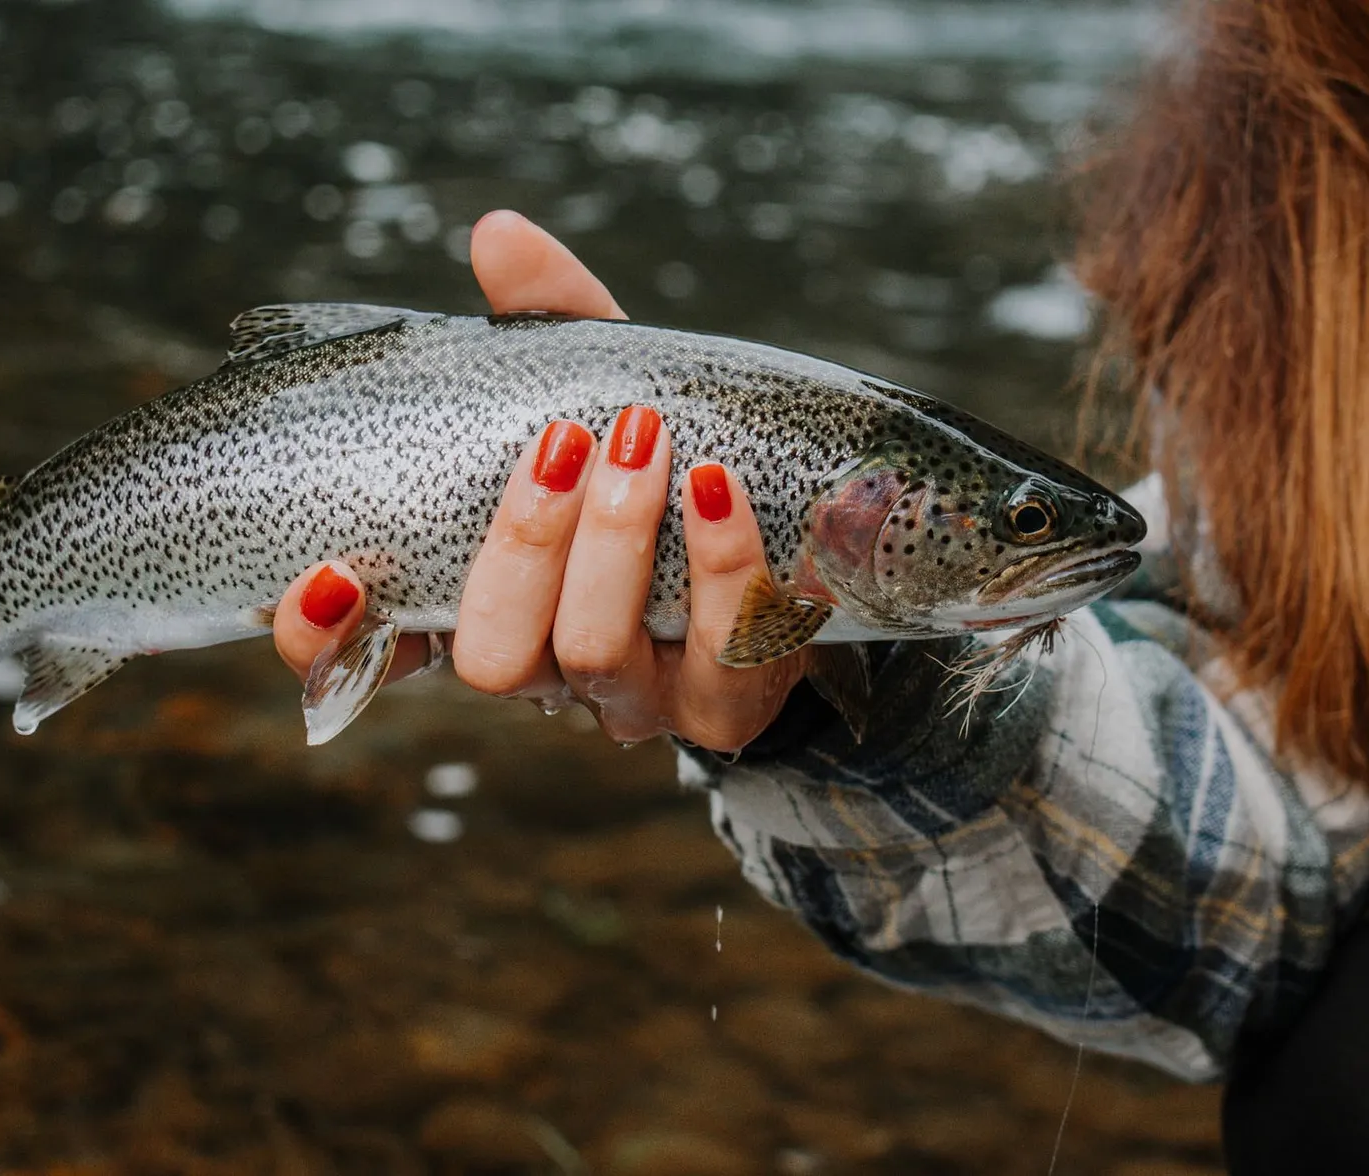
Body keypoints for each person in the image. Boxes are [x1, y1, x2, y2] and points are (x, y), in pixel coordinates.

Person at [270, 0, 1369, 1168]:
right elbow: (1283, 849)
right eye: (1024, 523)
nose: (1051, 541)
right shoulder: (1292, 184)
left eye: (1025, 523)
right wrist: (845, 705)